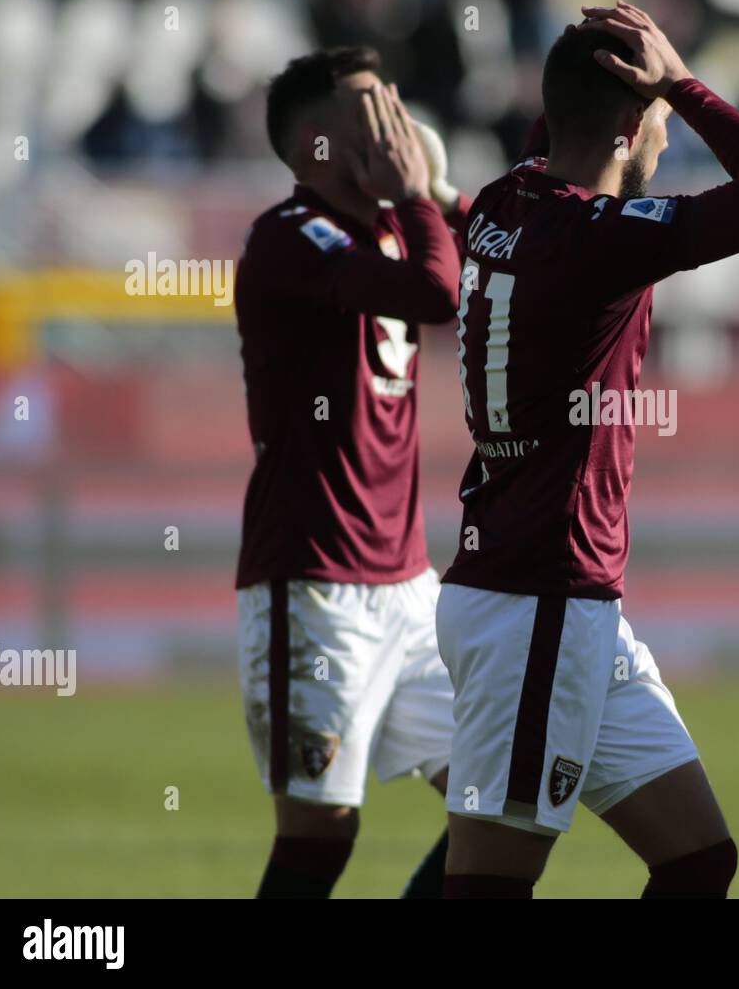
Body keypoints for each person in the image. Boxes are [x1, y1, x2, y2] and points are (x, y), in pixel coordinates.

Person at [435, 2, 739, 898]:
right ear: (629, 120)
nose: (667, 131)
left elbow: (568, 123)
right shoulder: (599, 241)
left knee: (697, 861)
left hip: (558, 601)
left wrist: (620, 72)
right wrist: (684, 83)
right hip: (536, 601)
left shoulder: (506, 199)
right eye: (655, 115)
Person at [233, 46, 466, 898]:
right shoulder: (288, 236)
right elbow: (438, 296)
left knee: (501, 802)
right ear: (313, 146)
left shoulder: (398, 225)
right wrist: (413, 194)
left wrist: (436, 194)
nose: (395, 123)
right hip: (316, 583)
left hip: (411, 585)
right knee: (321, 840)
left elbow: (501, 252)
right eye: (372, 108)